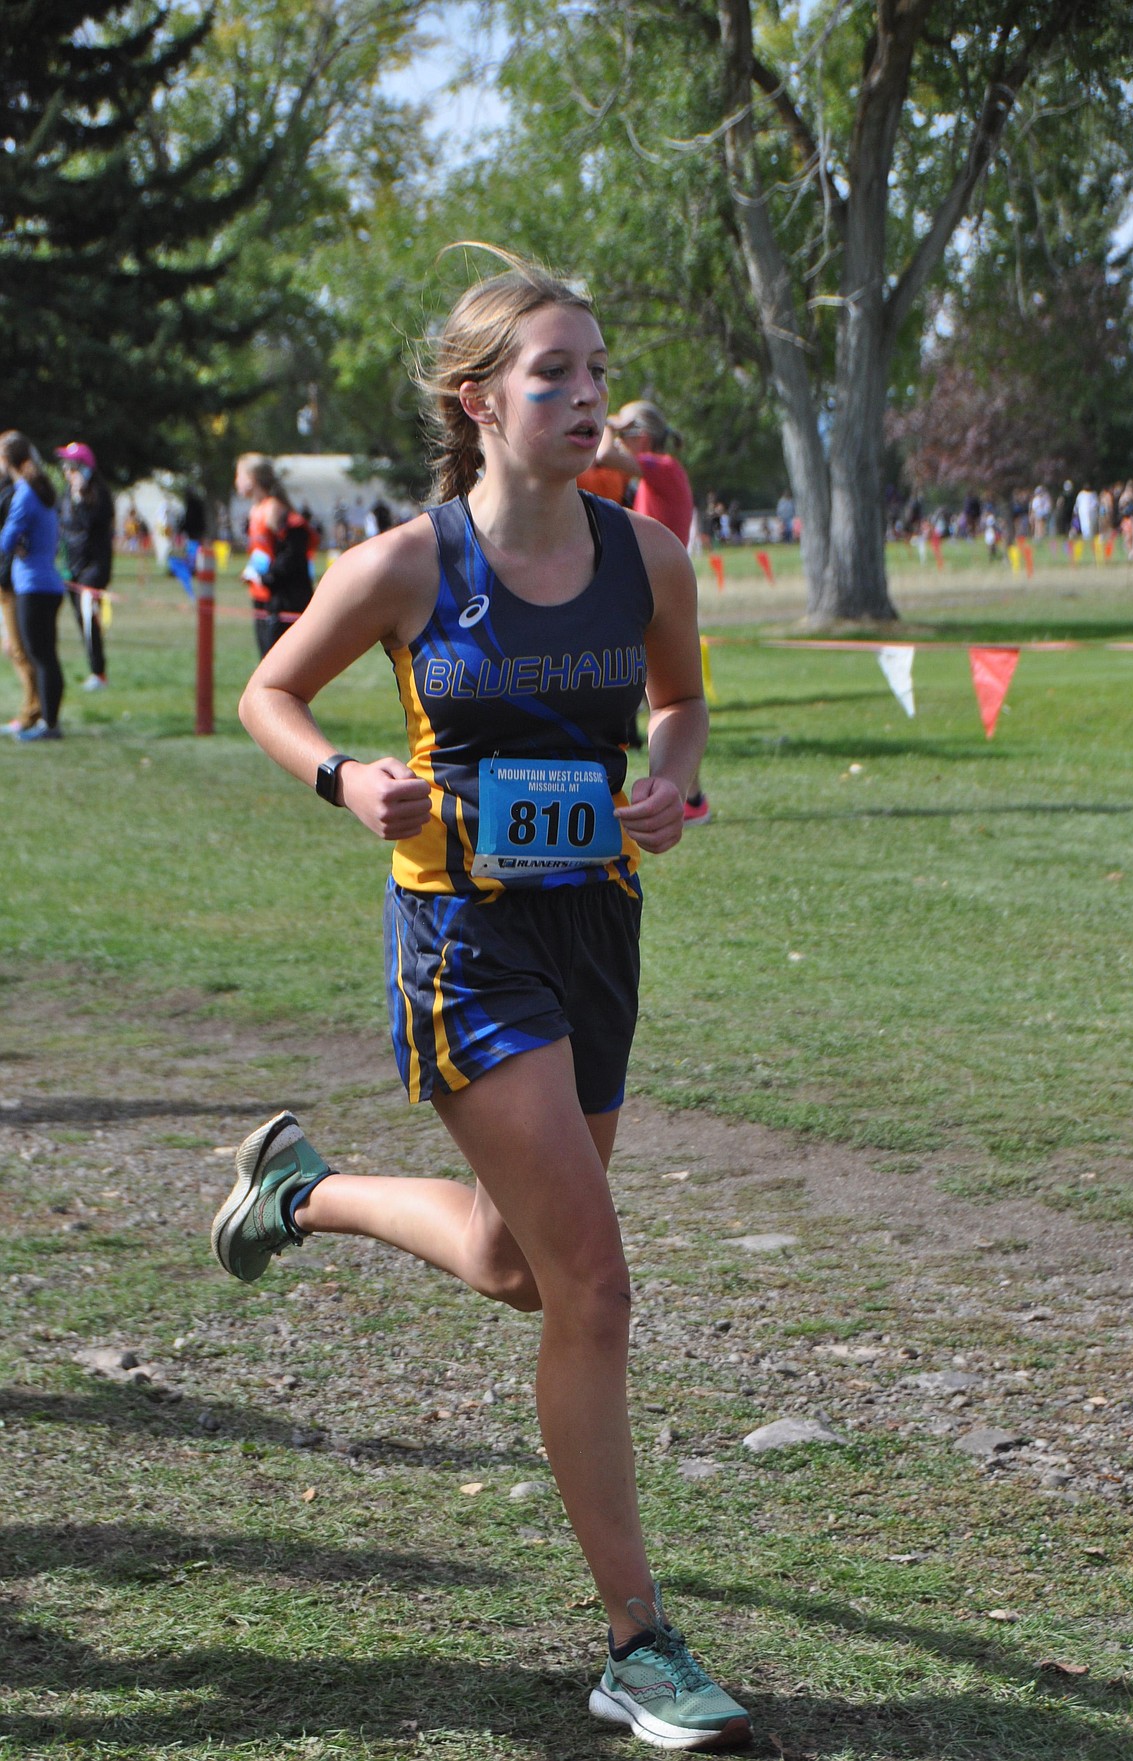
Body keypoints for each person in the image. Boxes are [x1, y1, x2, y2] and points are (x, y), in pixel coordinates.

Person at [209, 251, 751, 1754]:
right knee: (595, 1283)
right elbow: (271, 690)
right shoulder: (405, 565)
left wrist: (672, 782)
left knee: (521, 1262)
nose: (587, 399)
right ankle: (639, 1644)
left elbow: (681, 699)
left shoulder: (649, 556)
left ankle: (300, 1191)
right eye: (552, 376)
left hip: (596, 929)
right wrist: (342, 777)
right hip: (459, 939)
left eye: (594, 370)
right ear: (481, 403)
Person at [595, 401, 710, 824]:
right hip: (646, 587)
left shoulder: (661, 465)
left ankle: (689, 799)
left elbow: (603, 455)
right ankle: (692, 799)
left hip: (656, 591)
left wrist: (606, 425)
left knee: (665, 701)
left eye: (626, 427)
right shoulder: (655, 470)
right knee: (653, 698)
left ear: (641, 433)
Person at [0, 432, 66, 741]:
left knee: (40, 657)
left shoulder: (24, 492)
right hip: (49, 583)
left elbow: (5, 540)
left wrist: (16, 544)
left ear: (6, 461)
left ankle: (48, 725)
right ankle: (49, 722)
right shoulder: (40, 490)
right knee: (47, 656)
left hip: (31, 585)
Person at [234, 454, 315, 656]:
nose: (236, 482)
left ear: (252, 479)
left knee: (279, 662)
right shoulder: (256, 510)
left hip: (283, 600)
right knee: (265, 660)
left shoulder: (274, 509)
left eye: (238, 476)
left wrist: (268, 577)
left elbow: (292, 552)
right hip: (263, 597)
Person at [57, 441, 115, 690]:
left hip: (94, 568)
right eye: (65, 468)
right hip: (72, 567)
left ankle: (98, 673)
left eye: (72, 468)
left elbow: (92, 525)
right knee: (82, 621)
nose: (68, 473)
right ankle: (95, 670)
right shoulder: (64, 496)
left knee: (89, 620)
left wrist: (81, 499)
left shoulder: (99, 497)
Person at [0, 468, 43, 733]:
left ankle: (33, 710)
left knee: (19, 648)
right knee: (11, 648)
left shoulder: (10, 494)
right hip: (6, 582)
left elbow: (11, 543)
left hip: (9, 583)